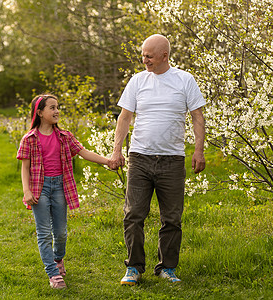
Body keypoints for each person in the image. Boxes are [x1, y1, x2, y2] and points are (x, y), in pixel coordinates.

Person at [109, 34, 206, 285]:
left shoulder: (185, 80)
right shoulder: (137, 81)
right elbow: (124, 117)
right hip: (139, 158)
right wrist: (116, 150)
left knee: (172, 218)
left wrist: (199, 151)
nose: (145, 60)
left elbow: (197, 117)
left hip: (172, 161)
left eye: (149, 56)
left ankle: (167, 267)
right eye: (143, 55)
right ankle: (134, 268)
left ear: (165, 55)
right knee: (133, 215)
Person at [17, 94, 112, 289]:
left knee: (60, 233)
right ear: (40, 112)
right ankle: (53, 274)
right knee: (44, 233)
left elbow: (84, 153)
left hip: (60, 186)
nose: (56, 111)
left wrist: (108, 161)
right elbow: (24, 168)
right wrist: (26, 191)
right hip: (39, 188)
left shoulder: (64, 136)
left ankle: (58, 259)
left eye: (57, 107)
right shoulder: (29, 139)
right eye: (51, 108)